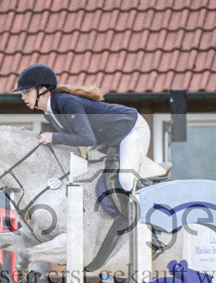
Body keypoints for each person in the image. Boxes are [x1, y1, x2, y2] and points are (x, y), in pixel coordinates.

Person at [13, 63, 149, 194]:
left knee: (126, 181)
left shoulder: (66, 103)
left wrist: (54, 137)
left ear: (42, 90)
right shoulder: (48, 112)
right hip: (107, 138)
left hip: (131, 128)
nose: (23, 97)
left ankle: (139, 215)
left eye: (27, 92)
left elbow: (86, 138)